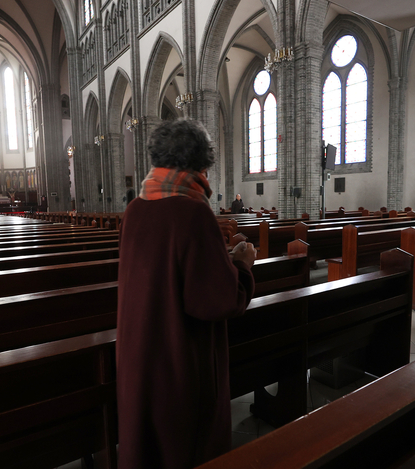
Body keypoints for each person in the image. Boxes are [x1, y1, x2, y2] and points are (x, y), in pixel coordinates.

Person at [117, 119, 256, 469]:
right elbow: (218, 302)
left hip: (140, 353)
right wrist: (241, 266)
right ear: (201, 163)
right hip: (179, 359)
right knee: (184, 447)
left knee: (149, 443)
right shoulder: (194, 212)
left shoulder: (135, 209)